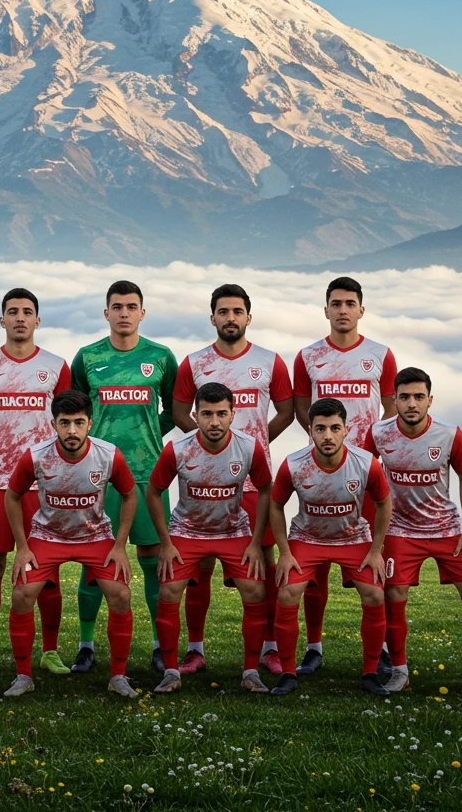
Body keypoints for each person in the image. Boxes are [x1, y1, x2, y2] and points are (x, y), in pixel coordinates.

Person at [172, 283, 294, 675]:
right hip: (205, 481)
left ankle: (270, 648)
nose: (230, 318)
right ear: (213, 318)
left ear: (248, 317)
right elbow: (179, 412)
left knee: (264, 561)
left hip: (253, 484)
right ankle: (195, 649)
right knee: (200, 565)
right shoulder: (194, 363)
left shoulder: (270, 361)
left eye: (237, 311)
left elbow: (286, 412)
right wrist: (213, 446)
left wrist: (245, 449)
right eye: (222, 312)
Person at [362, 367, 462, 693]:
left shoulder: (449, 434)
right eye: (404, 397)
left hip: (447, 530)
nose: (411, 404)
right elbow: (365, 475)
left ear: (430, 400)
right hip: (400, 531)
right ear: (394, 399)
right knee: (394, 596)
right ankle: (400, 671)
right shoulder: (379, 433)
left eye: (418, 397)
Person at [69, 280, 178, 674]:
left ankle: (158, 645)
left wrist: (148, 434)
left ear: (142, 312)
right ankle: (86, 645)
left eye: (132, 306)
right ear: (106, 313)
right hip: (98, 476)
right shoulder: (87, 357)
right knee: (95, 560)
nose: (125, 313)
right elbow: (75, 410)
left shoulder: (161, 356)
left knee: (153, 559)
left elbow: (173, 409)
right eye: (117, 307)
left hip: (149, 471)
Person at [292, 276, 397, 677]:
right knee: (313, 568)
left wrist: (361, 454)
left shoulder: (380, 355)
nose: (342, 310)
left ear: (361, 310)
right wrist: (325, 446)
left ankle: (382, 648)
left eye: (349, 303)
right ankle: (313, 647)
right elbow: (304, 409)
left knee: (371, 566)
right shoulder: (308, 356)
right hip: (319, 474)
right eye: (335, 303)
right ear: (326, 310)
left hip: (365, 474)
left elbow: (389, 410)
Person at [3, 390, 138, 698]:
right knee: (23, 593)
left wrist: (119, 545)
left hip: (95, 536)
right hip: (47, 535)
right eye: (65, 423)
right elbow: (12, 495)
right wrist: (22, 546)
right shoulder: (36, 456)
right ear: (54, 424)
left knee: (120, 594)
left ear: (90, 423)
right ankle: (23, 676)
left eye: (79, 422)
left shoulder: (108, 454)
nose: (72, 431)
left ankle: (118, 676)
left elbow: (130, 494)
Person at [0, 288, 71, 677]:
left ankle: (51, 650)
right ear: (2, 320)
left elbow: (67, 420)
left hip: (46, 485)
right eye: (13, 312)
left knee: (48, 567)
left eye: (28, 312)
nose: (20, 318)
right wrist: (3, 449)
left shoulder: (56, 366)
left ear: (38, 320)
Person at [147, 383, 273, 694]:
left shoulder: (248, 446)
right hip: (187, 531)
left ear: (233, 415)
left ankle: (251, 672)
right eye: (206, 414)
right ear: (195, 415)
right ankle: (171, 672)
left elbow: (266, 489)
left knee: (255, 589)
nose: (214, 422)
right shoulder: (178, 448)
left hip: (233, 531)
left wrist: (256, 543)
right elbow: (153, 491)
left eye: (220, 414)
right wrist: (166, 543)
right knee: (170, 587)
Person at [269, 398, 391, 697]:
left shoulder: (365, 463)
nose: (327, 435)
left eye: (335, 428)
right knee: (287, 591)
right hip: (307, 538)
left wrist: (376, 551)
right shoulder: (294, 464)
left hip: (353, 538)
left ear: (346, 430)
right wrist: (284, 552)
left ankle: (371, 672)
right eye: (320, 429)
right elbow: (275, 504)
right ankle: (287, 673)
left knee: (375, 592)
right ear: (310, 431)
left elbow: (384, 502)